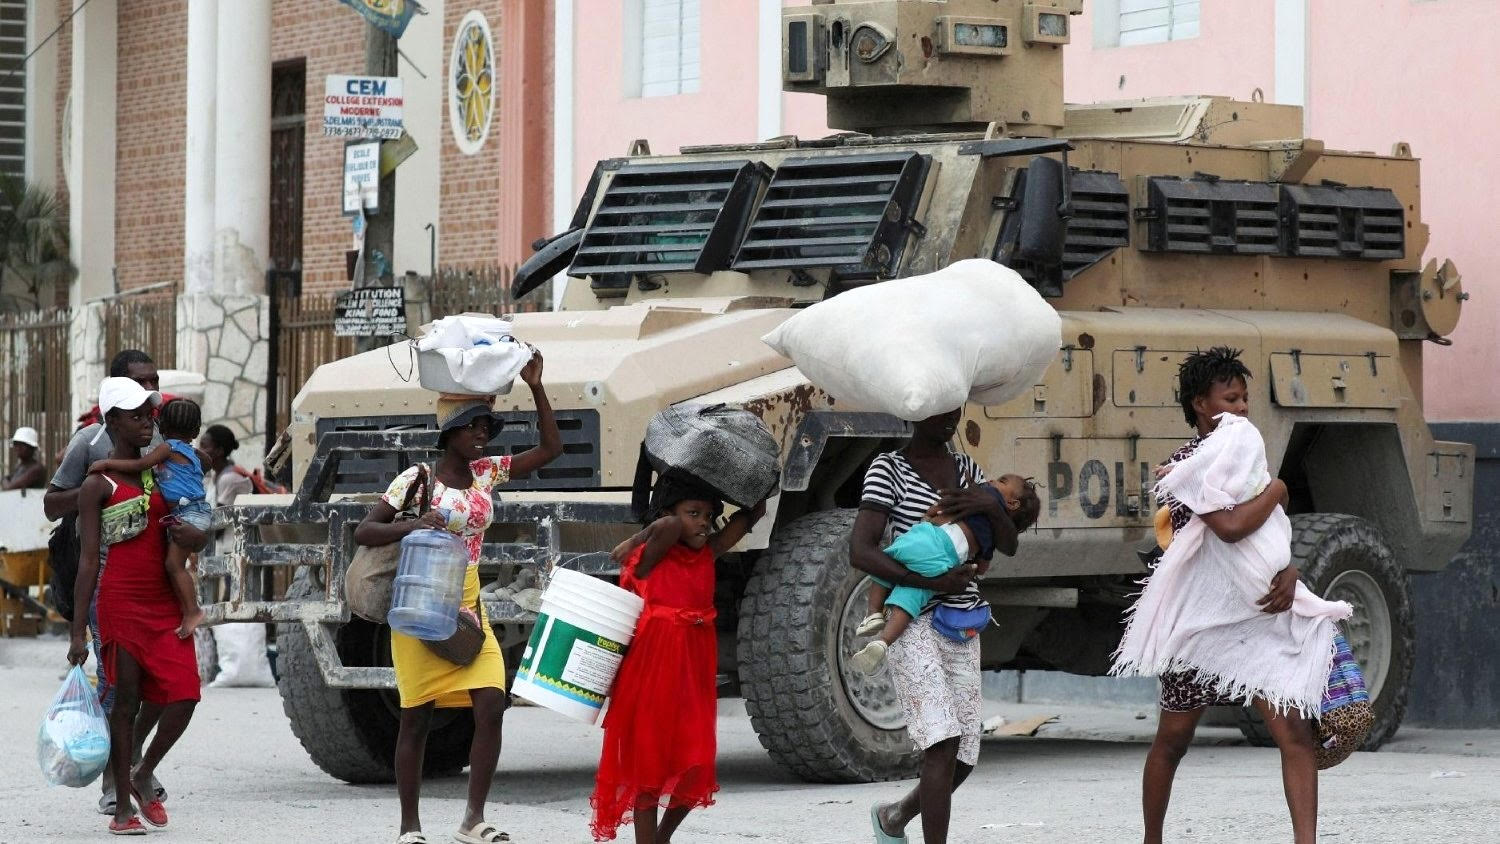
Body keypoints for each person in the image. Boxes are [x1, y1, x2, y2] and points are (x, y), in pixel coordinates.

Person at [1111, 347, 1329, 844]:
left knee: (1293, 735)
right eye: (1230, 398)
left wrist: (1290, 570)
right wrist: (1277, 489)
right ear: (1201, 406)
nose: (1243, 408)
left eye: (1246, 398)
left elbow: (1267, 537)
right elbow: (1231, 529)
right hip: (1201, 626)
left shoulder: (1248, 457)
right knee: (1172, 740)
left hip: (1258, 618)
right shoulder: (1186, 467)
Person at [354, 350, 561, 844]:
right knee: (417, 716)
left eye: (487, 427)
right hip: (422, 602)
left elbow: (550, 449)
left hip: (468, 601)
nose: (482, 435)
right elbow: (365, 532)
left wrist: (535, 385)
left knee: (491, 704)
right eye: (473, 427)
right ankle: (410, 827)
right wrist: (412, 524)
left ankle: (473, 820)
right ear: (450, 432)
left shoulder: (487, 473)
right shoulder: (416, 479)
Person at [42, 349, 203, 816]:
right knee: (119, 692)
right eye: (141, 382)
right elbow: (55, 505)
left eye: (154, 382)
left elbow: (187, 503)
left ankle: (135, 765)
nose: (151, 401)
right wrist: (107, 483)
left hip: (162, 584)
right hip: (112, 585)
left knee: (169, 688)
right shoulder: (90, 442)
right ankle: (117, 788)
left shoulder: (162, 444)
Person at [850, 408, 1018, 844]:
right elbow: (861, 551)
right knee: (941, 743)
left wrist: (989, 507)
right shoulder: (888, 468)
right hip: (912, 619)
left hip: (961, 620)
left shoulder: (968, 470)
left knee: (964, 754)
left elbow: (1008, 543)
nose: (948, 418)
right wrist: (929, 581)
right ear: (913, 408)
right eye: (937, 408)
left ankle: (894, 817)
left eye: (954, 409)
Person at [591, 477, 767, 843]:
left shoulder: (708, 552)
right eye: (693, 513)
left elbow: (754, 512)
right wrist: (637, 538)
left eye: (708, 515)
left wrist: (756, 479)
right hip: (651, 672)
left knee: (697, 762)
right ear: (667, 514)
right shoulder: (648, 558)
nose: (704, 522)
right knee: (648, 768)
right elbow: (669, 527)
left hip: (692, 673)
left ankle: (661, 837)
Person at [850, 474, 1040, 674]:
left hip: (930, 538)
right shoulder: (995, 536)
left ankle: (873, 613)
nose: (992, 480)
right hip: (946, 563)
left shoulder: (983, 494)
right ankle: (883, 642)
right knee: (910, 598)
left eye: (1002, 481)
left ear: (1012, 503)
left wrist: (929, 515)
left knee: (886, 565)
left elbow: (938, 509)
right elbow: (982, 568)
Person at [87, 398, 209, 638]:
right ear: (195, 431)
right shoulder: (193, 453)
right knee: (177, 564)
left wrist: (107, 462)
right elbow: (205, 464)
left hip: (187, 514)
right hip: (197, 512)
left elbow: (141, 464)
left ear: (160, 427)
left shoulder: (168, 448)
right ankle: (188, 610)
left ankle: (192, 611)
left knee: (174, 565)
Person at [199, 424, 254, 507]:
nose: (198, 450)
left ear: (219, 451)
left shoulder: (228, 478)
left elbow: (219, 516)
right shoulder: (216, 475)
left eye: (204, 446)